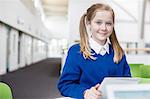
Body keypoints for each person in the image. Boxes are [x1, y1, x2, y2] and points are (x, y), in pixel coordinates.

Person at [57, 3, 131, 99]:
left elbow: (127, 81)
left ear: (113, 25)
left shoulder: (118, 52)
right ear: (89, 23)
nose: (104, 28)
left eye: (108, 23)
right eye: (98, 22)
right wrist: (85, 93)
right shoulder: (76, 52)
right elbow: (65, 85)